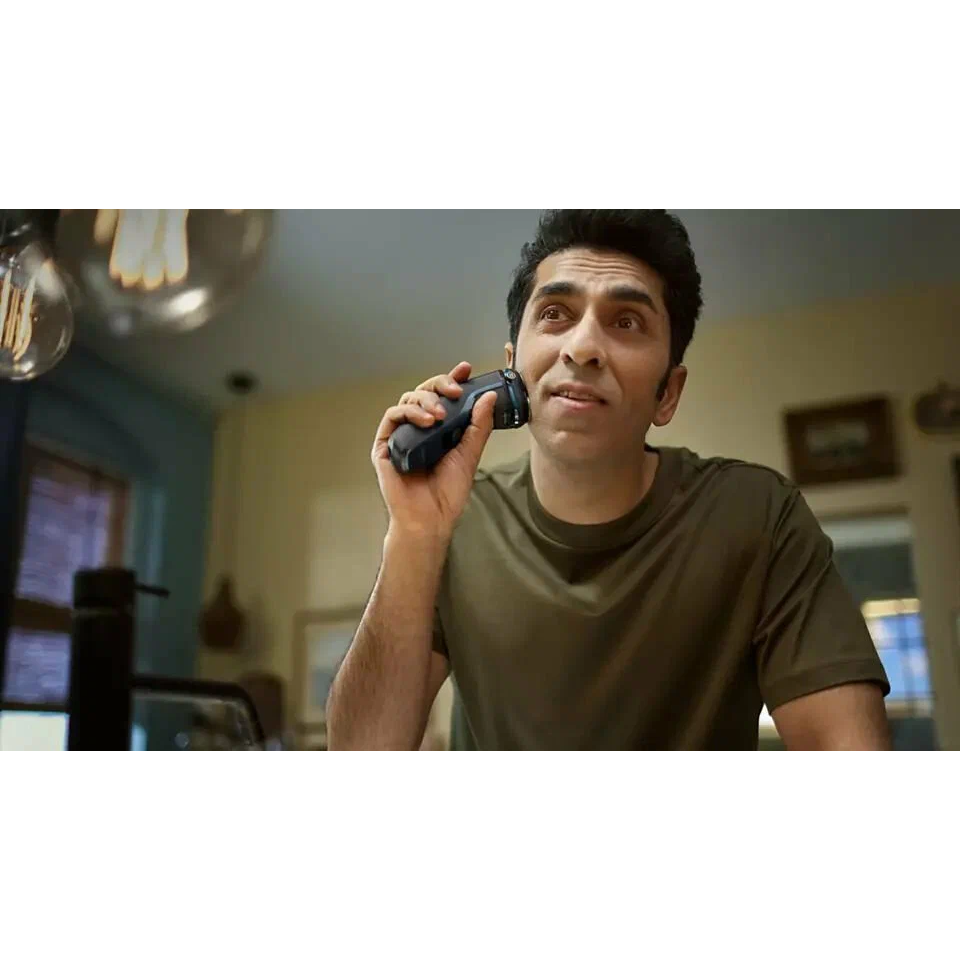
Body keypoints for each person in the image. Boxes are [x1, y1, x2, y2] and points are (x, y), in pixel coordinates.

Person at [326, 210, 891, 750]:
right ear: (512, 369)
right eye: (555, 314)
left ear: (668, 393)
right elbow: (361, 753)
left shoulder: (760, 517)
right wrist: (414, 535)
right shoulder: (454, 524)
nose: (583, 348)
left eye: (626, 322)